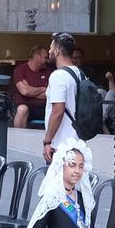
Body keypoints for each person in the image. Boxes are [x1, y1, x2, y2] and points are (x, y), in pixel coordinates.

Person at [41, 32, 80, 164]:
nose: (49, 51)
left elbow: (58, 111)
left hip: (61, 145)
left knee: (57, 184)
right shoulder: (79, 74)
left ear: (57, 50)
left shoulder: (58, 76)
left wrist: (48, 141)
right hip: (78, 143)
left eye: (51, 47)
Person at [9, 44, 52, 129]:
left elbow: (50, 93)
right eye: (45, 57)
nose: (47, 60)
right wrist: (43, 89)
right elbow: (24, 91)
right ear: (37, 57)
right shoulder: (20, 70)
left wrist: (30, 91)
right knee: (22, 109)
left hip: (44, 108)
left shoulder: (48, 71)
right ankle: (18, 139)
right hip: (25, 106)